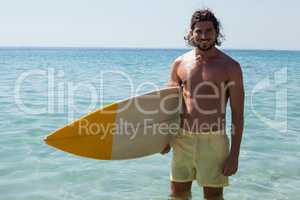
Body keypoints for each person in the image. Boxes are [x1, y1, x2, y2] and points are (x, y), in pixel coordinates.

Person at [161, 9, 245, 200]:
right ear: (191, 33)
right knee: (178, 193)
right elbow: (169, 106)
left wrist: (234, 155)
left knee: (213, 196)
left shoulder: (230, 67)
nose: (204, 36)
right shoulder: (179, 64)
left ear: (217, 33)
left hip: (213, 141)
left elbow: (238, 114)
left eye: (209, 31)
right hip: (181, 138)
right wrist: (163, 138)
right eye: (199, 31)